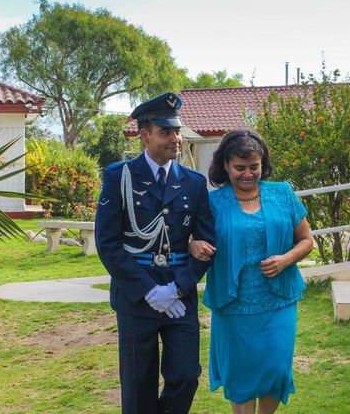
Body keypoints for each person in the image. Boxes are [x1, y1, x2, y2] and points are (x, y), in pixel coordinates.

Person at [95, 92, 215, 414]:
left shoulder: (192, 182)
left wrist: (177, 288)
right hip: (137, 296)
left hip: (180, 294)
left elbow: (205, 244)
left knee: (187, 375)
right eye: (166, 132)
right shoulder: (119, 177)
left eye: (177, 131)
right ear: (145, 136)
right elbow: (107, 244)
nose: (175, 139)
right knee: (138, 384)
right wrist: (149, 291)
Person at [189, 129, 313, 414]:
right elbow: (189, 237)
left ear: (262, 164)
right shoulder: (212, 202)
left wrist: (285, 259)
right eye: (239, 168)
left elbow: (307, 240)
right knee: (241, 373)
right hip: (233, 305)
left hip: (278, 301)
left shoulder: (283, 193)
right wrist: (193, 244)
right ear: (225, 165)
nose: (247, 174)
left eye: (254, 167)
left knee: (275, 369)